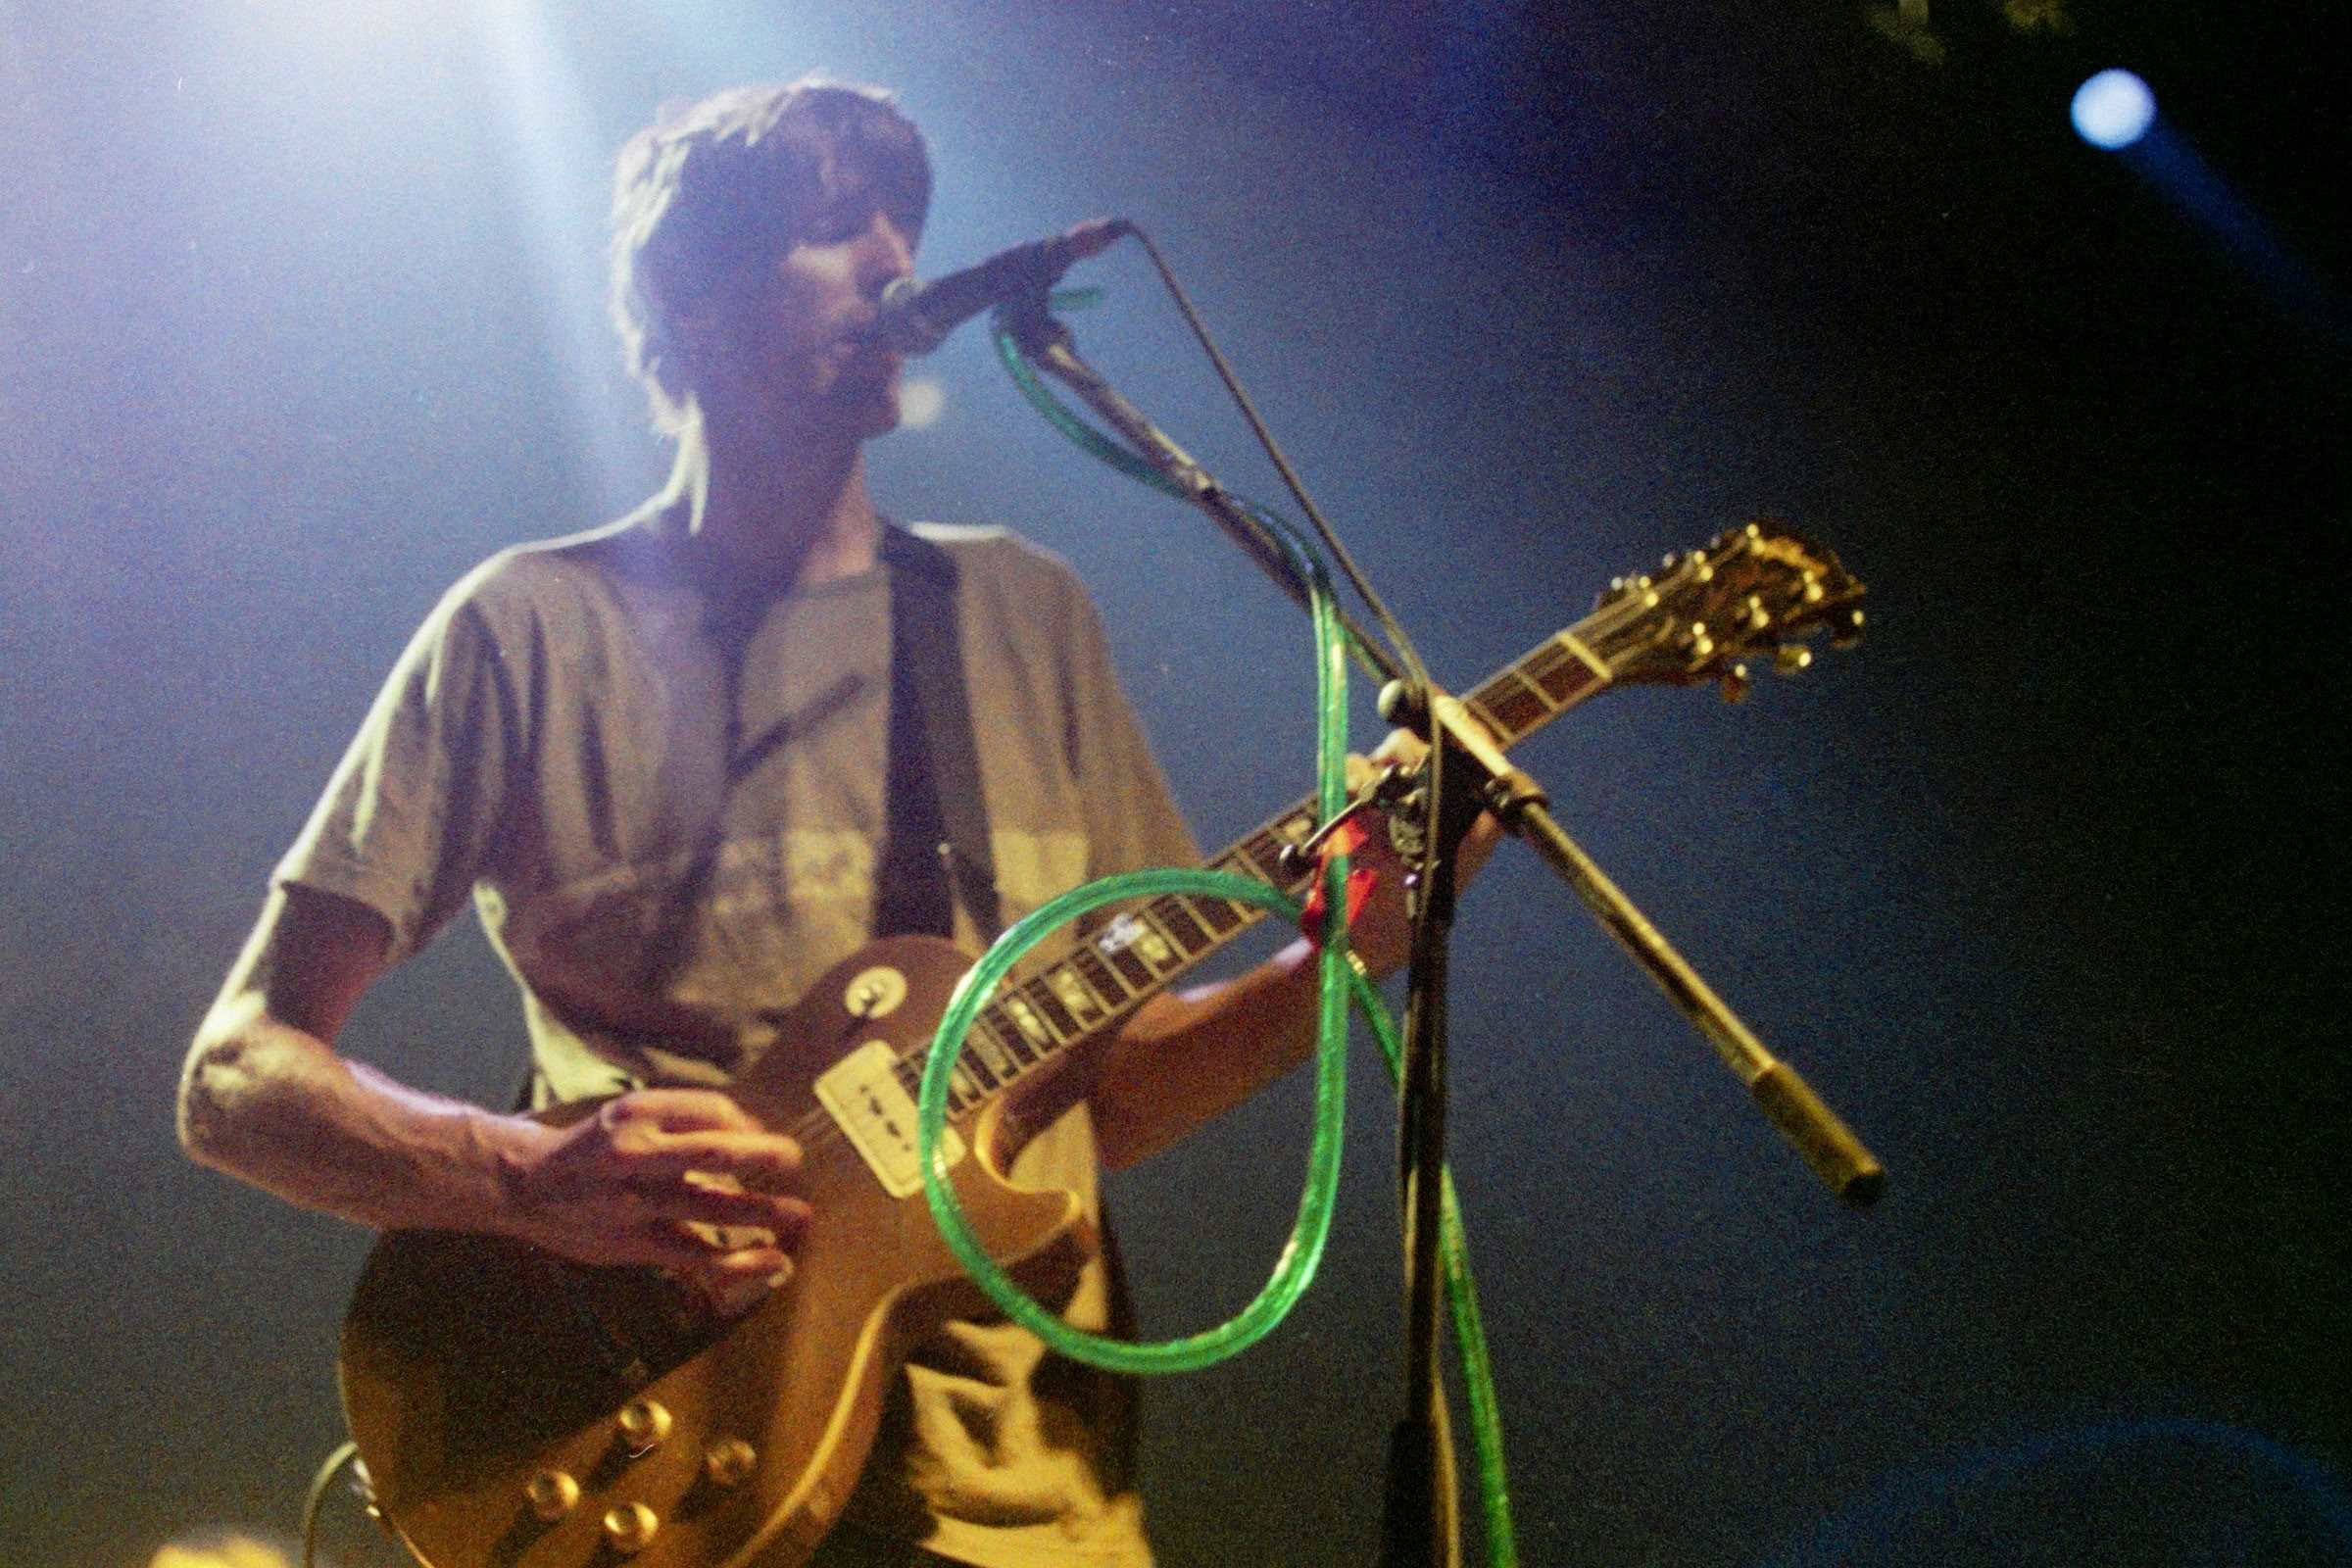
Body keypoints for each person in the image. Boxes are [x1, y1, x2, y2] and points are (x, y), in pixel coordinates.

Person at [177, 78, 1472, 1568]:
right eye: (830, 225)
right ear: (686, 298)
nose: (892, 261)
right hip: (672, 1486)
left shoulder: (1023, 613)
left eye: (901, 222)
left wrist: (1341, 961)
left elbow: (1105, 1097)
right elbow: (236, 1075)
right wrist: (519, 1177)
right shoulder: (525, 629)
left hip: (1030, 1507)